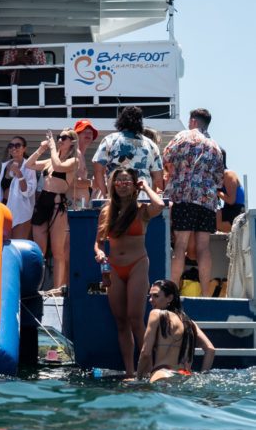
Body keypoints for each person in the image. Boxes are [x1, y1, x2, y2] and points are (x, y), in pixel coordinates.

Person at [94, 168, 165, 377]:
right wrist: (99, 254)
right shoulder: (106, 211)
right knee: (121, 321)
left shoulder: (142, 210)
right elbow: (98, 243)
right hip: (114, 267)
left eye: (127, 181)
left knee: (135, 317)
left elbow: (160, 205)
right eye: (119, 181)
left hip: (137, 264)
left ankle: (148, 369)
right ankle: (129, 371)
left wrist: (146, 187)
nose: (123, 184)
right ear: (113, 185)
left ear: (134, 185)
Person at [163, 108, 224, 295]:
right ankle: (205, 294)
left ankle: (172, 292)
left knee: (181, 244)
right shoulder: (215, 146)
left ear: (193, 121)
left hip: (185, 196)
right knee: (203, 247)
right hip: (207, 200)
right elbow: (219, 179)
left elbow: (166, 156)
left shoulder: (184, 136)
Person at [25, 129, 78, 289]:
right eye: (58, 137)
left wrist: (53, 146)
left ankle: (57, 288)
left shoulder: (73, 161)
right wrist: (42, 149)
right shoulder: (50, 160)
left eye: (64, 137)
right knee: (39, 251)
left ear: (72, 141)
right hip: (43, 203)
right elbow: (29, 164)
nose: (60, 139)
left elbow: (59, 166)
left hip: (57, 205)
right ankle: (37, 287)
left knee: (58, 251)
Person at [137, 279, 215, 382]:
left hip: (163, 373)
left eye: (155, 296)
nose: (150, 300)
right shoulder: (189, 322)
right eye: (150, 296)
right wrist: (203, 376)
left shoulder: (156, 314)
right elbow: (210, 349)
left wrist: (138, 378)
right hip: (186, 376)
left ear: (170, 298)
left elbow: (145, 353)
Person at [92, 106, 163, 196]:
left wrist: (105, 193)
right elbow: (158, 178)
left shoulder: (110, 139)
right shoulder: (151, 144)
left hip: (116, 197)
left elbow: (98, 170)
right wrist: (149, 197)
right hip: (142, 198)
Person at [0, 136, 37, 239]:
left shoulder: (30, 166)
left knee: (18, 246)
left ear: (24, 148)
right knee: (4, 246)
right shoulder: (4, 166)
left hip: (22, 213)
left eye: (17, 145)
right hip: (4, 209)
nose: (14, 148)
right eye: (11, 146)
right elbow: (0, 190)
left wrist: (19, 173)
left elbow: (28, 192)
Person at [217, 149, 245, 233]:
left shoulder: (228, 174)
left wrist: (215, 192)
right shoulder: (219, 177)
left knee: (210, 216)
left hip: (236, 211)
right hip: (228, 209)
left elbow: (231, 201)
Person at [73, 119, 98, 206]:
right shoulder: (74, 153)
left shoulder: (80, 155)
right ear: (76, 136)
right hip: (71, 207)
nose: (88, 134)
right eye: (84, 132)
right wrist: (92, 183)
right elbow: (72, 181)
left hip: (78, 207)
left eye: (90, 133)